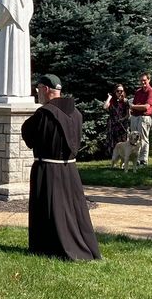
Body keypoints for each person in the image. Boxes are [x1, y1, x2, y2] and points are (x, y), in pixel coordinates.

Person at [20, 74, 101, 261]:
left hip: (47, 169)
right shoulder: (77, 113)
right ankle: (83, 246)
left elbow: (29, 136)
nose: (37, 92)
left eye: (38, 88)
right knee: (74, 210)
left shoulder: (44, 114)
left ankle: (49, 246)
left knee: (49, 208)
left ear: (46, 89)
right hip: (70, 170)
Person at [129, 72, 152, 166]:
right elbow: (134, 105)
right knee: (133, 138)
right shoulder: (138, 92)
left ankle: (143, 161)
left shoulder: (151, 91)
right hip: (135, 117)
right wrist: (134, 107)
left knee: (143, 139)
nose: (143, 82)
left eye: (144, 80)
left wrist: (134, 106)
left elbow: (146, 107)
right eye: (141, 80)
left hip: (144, 117)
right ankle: (135, 159)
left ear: (149, 80)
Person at [103, 84, 131, 156]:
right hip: (112, 124)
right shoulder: (112, 100)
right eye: (118, 91)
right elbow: (105, 107)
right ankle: (114, 158)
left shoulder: (125, 101)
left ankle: (123, 159)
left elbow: (128, 114)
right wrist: (109, 97)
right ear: (115, 91)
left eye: (121, 91)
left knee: (123, 142)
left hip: (122, 125)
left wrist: (122, 119)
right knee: (113, 142)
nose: (119, 92)